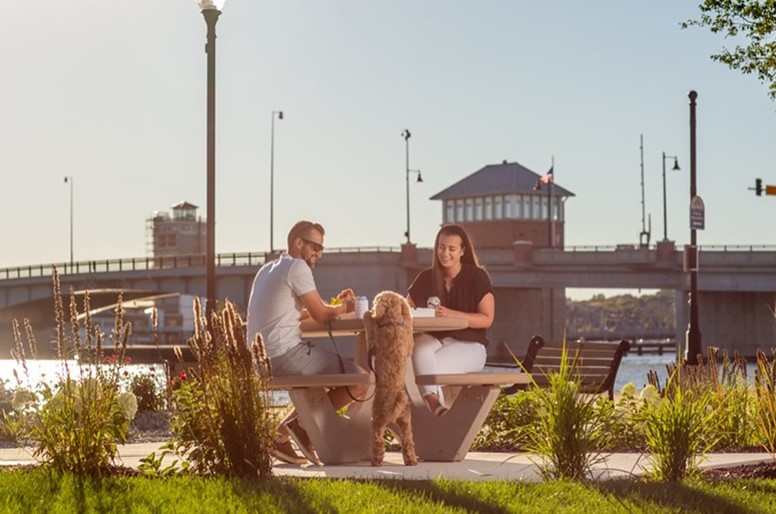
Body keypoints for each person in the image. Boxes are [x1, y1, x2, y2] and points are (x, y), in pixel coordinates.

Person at [246, 220, 368, 465]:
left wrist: (335, 307)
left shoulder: (268, 269)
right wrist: (345, 307)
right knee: (361, 380)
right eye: (315, 247)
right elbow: (321, 315)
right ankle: (299, 428)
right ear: (298, 243)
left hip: (263, 359)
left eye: (322, 248)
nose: (319, 254)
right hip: (286, 355)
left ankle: (282, 434)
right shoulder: (297, 267)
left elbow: (304, 312)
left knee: (327, 382)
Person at [407, 224, 495, 416]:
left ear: (462, 251)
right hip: (434, 340)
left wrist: (453, 314)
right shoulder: (425, 277)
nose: (445, 253)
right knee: (419, 347)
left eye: (452, 249)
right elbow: (407, 310)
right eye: (441, 247)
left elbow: (487, 319)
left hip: (470, 345)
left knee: (421, 370)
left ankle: (433, 411)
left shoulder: (476, 276)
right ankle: (436, 407)